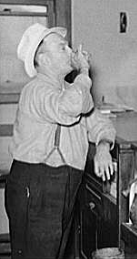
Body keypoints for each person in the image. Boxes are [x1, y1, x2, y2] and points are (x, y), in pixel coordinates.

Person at [6, 23, 116, 259]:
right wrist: (84, 74)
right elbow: (70, 108)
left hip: (63, 182)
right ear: (44, 60)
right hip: (37, 182)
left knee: (54, 253)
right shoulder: (35, 89)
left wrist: (103, 147)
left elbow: (99, 123)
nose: (71, 51)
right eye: (62, 47)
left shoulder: (72, 90)